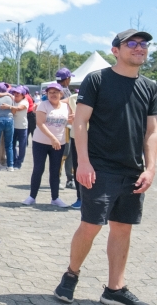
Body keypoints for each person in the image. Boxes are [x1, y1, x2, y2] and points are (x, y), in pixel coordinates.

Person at [54, 30, 157, 305]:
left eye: (143, 44)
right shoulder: (97, 79)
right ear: (115, 50)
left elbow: (151, 131)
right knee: (91, 225)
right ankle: (71, 276)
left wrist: (150, 168)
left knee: (123, 228)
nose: (139, 48)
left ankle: (114, 289)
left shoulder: (150, 86)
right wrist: (83, 162)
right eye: (132, 44)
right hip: (100, 168)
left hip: (133, 170)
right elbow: (80, 122)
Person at [22, 82, 72, 207]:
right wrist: (52, 138)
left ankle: (55, 198)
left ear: (61, 94)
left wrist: (74, 119)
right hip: (41, 142)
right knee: (38, 169)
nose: (53, 95)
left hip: (59, 143)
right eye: (50, 93)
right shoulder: (43, 105)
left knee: (55, 171)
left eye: (55, 92)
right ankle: (32, 196)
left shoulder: (66, 107)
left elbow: (69, 121)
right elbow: (40, 123)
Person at [7, 87, 30, 171]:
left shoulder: (25, 102)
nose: (16, 95)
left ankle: (19, 162)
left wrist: (9, 106)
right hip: (13, 126)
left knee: (22, 146)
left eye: (18, 94)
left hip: (22, 126)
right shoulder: (12, 101)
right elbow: (13, 112)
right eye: (15, 93)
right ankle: (14, 160)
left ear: (23, 95)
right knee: (11, 144)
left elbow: (19, 108)